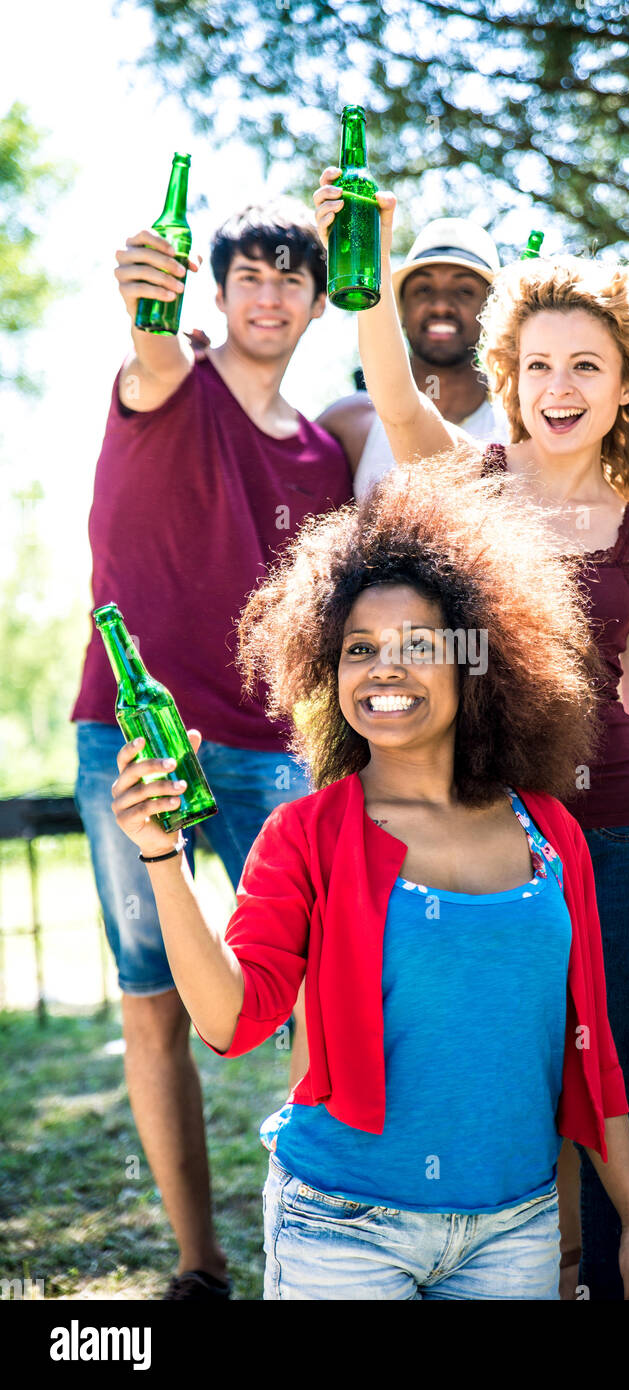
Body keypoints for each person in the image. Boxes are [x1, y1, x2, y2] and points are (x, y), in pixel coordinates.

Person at [107, 452, 629, 1301]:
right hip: (342, 1230)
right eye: (359, 648)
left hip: (514, 1228)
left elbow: (590, 1047)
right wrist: (162, 858)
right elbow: (231, 1021)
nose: (384, 669)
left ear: (477, 664)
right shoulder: (304, 834)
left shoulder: (549, 831)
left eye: (417, 646)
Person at [313, 172, 629, 1299]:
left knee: (618, 1091)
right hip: (505, 841)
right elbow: (398, 401)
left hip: (628, 840)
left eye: (586, 366)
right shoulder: (474, 482)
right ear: (510, 377)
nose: (559, 387)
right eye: (538, 364)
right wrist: (373, 267)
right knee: (512, 1080)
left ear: (624, 384)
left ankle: (618, 1273)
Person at [71, 197, 353, 1299]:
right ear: (219, 291)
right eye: (250, 275)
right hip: (131, 740)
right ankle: (200, 1263)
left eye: (294, 275)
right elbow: (148, 337)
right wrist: (150, 285)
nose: (271, 294)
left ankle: (320, 1243)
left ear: (318, 298)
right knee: (153, 1000)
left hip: (275, 751)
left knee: (312, 995)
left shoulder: (326, 453)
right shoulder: (170, 382)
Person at [316, 217, 508, 491]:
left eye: (464, 290)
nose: (441, 306)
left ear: (492, 311)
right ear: (400, 309)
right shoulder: (350, 425)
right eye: (423, 289)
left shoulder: (523, 431)